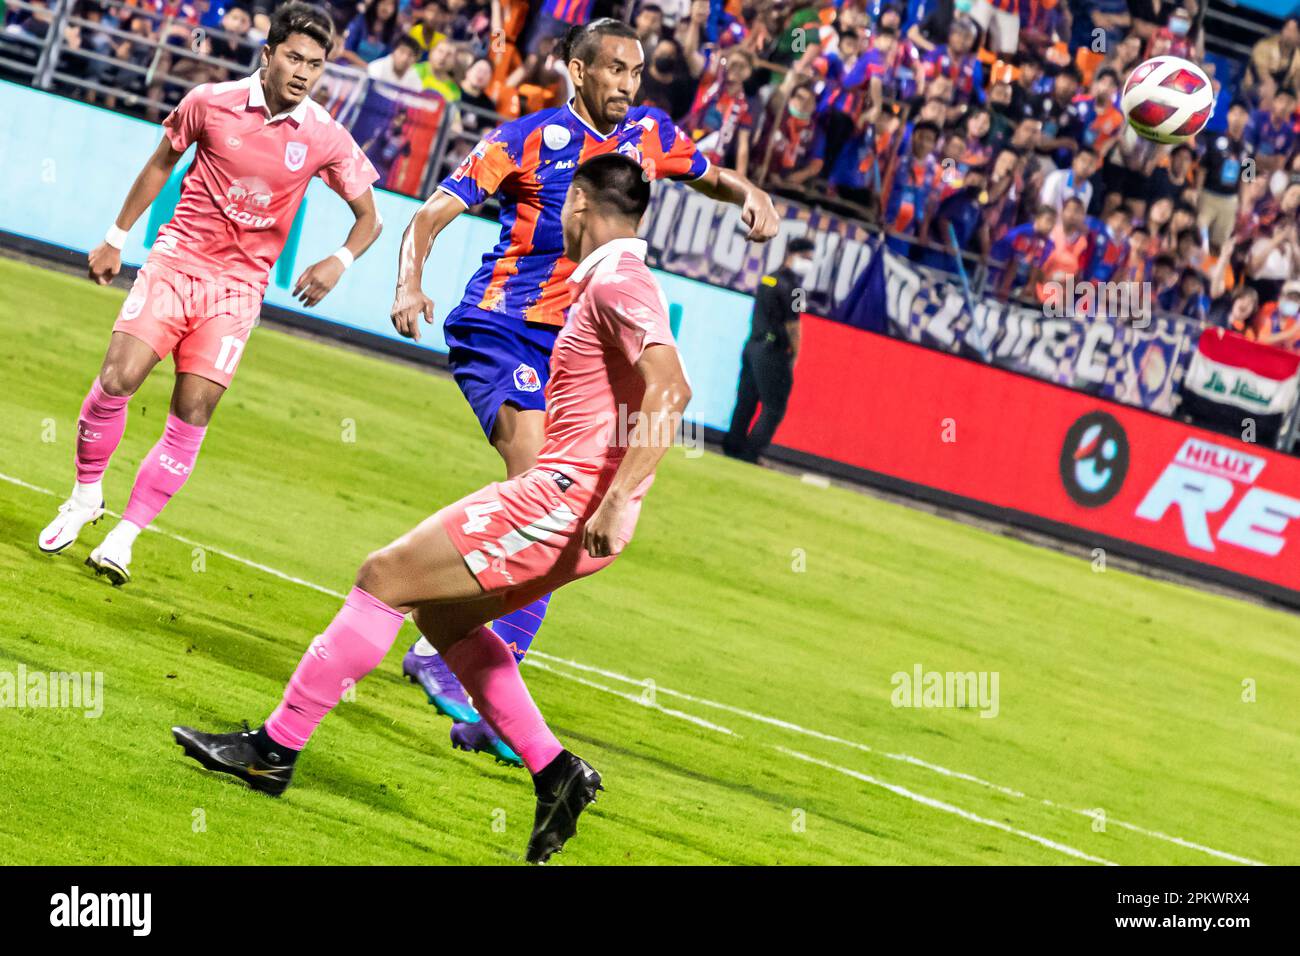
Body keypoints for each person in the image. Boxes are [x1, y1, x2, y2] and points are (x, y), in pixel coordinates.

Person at [172, 153, 690, 865]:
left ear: (576, 202)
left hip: (566, 500)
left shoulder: (620, 283)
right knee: (443, 618)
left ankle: (272, 751)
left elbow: (672, 391)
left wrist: (622, 499)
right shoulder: (613, 280)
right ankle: (557, 773)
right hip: (571, 504)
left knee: (384, 576)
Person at [387, 18, 778, 762]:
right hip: (501, 329)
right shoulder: (525, 139)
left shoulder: (650, 134)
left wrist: (750, 193)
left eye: (636, 73)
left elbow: (710, 174)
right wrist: (410, 285)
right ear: (577, 70)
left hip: (574, 353)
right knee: (546, 488)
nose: (629, 85)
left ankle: (479, 695)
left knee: (562, 524)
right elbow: (432, 214)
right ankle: (445, 650)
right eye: (616, 71)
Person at [37, 3, 381, 582]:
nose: (303, 72)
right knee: (119, 377)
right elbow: (160, 164)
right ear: (268, 56)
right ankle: (85, 496)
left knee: (192, 409)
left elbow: (369, 217)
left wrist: (339, 260)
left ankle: (124, 536)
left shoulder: (325, 135)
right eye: (294, 58)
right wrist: (114, 238)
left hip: (239, 291)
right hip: (177, 262)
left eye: (316, 65)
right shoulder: (209, 102)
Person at [723, 237, 814, 463]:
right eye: (807, 258)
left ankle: (733, 445)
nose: (808, 263)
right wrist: (796, 352)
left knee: (747, 399)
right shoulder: (794, 288)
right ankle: (751, 452)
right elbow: (793, 323)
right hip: (773, 349)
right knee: (774, 406)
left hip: (752, 345)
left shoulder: (768, 279)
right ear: (795, 255)